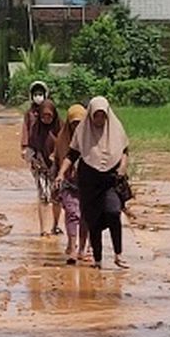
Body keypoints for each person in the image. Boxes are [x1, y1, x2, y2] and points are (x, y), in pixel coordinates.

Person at [54, 96, 129, 269]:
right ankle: (98, 259)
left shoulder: (116, 129)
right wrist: (61, 173)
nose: (99, 120)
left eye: (103, 116)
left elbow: (124, 151)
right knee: (93, 219)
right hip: (89, 182)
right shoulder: (83, 132)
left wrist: (122, 167)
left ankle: (118, 255)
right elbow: (72, 155)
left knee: (113, 212)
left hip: (110, 180)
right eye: (96, 116)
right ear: (90, 116)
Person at [20, 82, 62, 236]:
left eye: (40, 94)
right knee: (43, 195)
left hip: (57, 166)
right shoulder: (31, 118)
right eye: (35, 94)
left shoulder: (59, 125)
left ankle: (55, 225)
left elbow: (66, 142)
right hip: (39, 162)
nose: (46, 118)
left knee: (57, 197)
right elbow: (27, 134)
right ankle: (43, 229)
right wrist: (26, 151)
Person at [53, 103, 89, 264]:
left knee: (85, 216)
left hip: (88, 182)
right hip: (68, 182)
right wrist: (58, 177)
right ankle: (72, 247)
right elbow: (58, 160)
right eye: (74, 123)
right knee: (72, 213)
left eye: (80, 123)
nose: (77, 127)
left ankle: (82, 248)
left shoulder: (92, 138)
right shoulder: (62, 139)